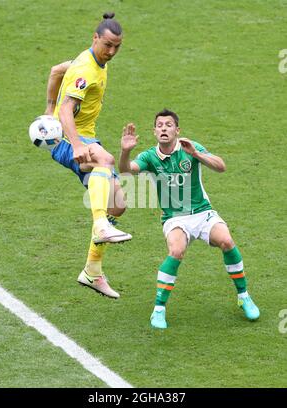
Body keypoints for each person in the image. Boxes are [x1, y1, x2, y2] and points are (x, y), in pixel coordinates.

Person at [119, 109, 260, 328]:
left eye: (168, 124)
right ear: (154, 131)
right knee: (176, 251)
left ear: (177, 130)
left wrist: (196, 154)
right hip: (175, 218)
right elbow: (127, 171)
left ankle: (244, 296)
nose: (164, 128)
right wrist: (125, 152)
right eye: (159, 125)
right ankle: (158, 310)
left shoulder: (189, 147)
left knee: (227, 241)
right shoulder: (149, 156)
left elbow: (221, 167)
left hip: (202, 212)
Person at [44, 12, 132, 299]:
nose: (112, 51)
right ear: (95, 38)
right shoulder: (86, 70)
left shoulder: (92, 61)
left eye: (117, 46)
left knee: (118, 204)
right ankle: (100, 225)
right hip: (68, 140)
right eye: (107, 45)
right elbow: (67, 109)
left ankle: (92, 272)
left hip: (83, 136)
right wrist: (76, 144)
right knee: (104, 160)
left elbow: (57, 70)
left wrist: (47, 110)